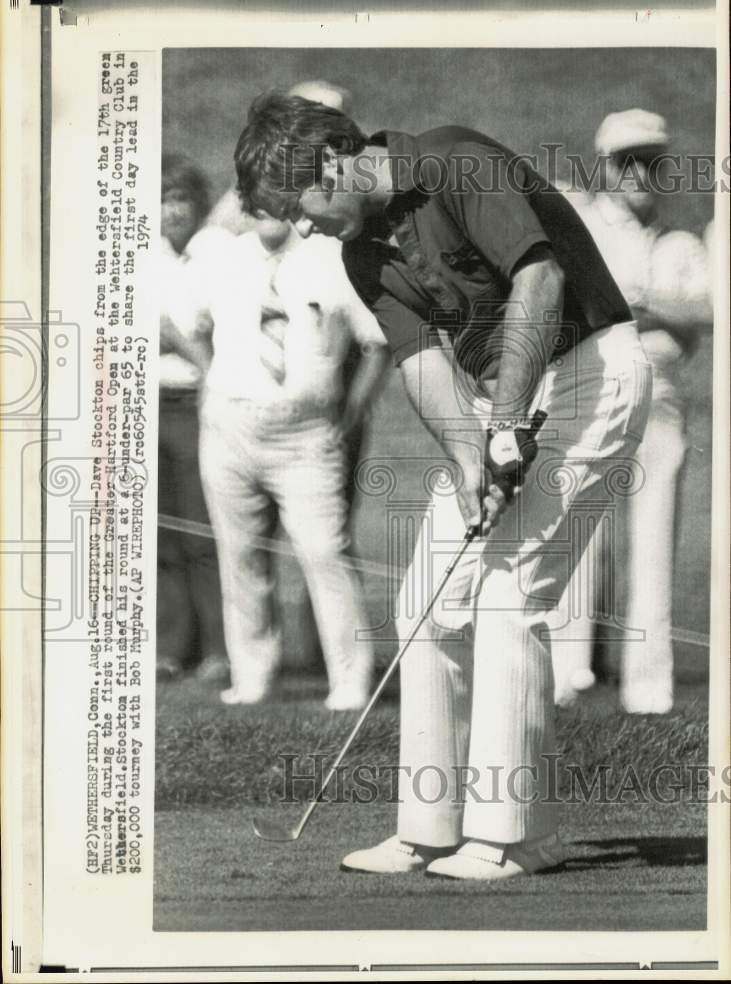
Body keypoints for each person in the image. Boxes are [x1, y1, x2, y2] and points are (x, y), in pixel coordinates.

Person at [233, 94, 652, 878]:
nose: (301, 226)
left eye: (298, 206)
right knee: (428, 595)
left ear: (330, 161)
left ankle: (513, 836)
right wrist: (469, 459)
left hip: (591, 370)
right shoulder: (362, 254)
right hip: (509, 396)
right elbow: (421, 363)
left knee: (509, 591)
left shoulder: (454, 159)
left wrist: (501, 423)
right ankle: (427, 830)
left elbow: (539, 281)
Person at [551, 110, 713, 713]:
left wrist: (644, 303)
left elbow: (708, 311)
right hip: (591, 390)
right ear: (606, 165)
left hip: (662, 399)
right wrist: (645, 308)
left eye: (653, 161)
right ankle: (566, 675)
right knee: (576, 536)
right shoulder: (579, 225)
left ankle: (648, 688)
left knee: (654, 543)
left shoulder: (680, 241)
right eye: (628, 161)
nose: (642, 172)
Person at [196, 208, 389, 709]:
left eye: (278, 195)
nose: (267, 210)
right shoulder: (221, 256)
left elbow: (376, 343)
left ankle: (350, 683)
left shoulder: (332, 259)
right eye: (254, 198)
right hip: (231, 426)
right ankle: (253, 678)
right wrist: (209, 380)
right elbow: (188, 322)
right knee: (240, 555)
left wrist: (351, 412)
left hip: (307, 433)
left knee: (325, 551)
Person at [154, 154, 229, 681]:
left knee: (204, 533)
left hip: (197, 403)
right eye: (161, 200)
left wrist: (178, 339)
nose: (171, 211)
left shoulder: (219, 253)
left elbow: (207, 333)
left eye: (180, 199)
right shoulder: (145, 254)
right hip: (148, 402)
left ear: (199, 204)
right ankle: (170, 646)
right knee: (163, 535)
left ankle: (219, 650)